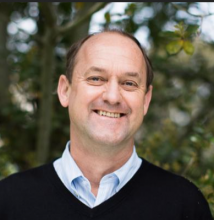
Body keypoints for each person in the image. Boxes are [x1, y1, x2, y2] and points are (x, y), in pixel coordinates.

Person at [0, 29, 212, 220]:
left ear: (146, 100)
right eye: (96, 79)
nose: (112, 97)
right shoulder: (8, 201)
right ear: (65, 90)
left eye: (129, 83)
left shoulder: (184, 206)